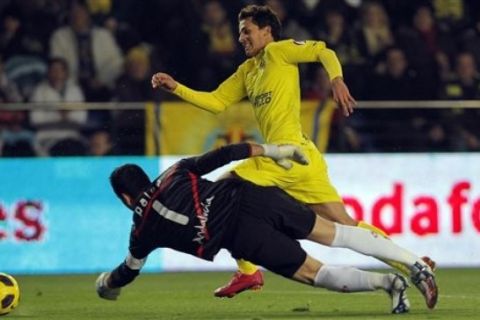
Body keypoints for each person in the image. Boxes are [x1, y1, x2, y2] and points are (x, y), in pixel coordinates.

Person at [151, 4, 433, 297]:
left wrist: (336, 79)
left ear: (266, 31)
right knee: (346, 223)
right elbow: (217, 102)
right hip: (299, 158)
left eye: (246, 32)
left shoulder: (279, 52)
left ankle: (248, 273)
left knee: (222, 194)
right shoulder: (248, 70)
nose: (241, 38)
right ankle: (410, 262)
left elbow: (324, 51)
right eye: (239, 33)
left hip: (285, 155)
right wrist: (176, 88)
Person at [95, 142, 438, 313]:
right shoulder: (174, 173)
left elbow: (128, 271)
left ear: (126, 197)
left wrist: (106, 285)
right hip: (252, 197)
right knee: (338, 232)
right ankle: (414, 264)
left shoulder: (141, 229)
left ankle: (388, 284)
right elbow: (224, 154)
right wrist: (274, 150)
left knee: (312, 272)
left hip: (241, 236)